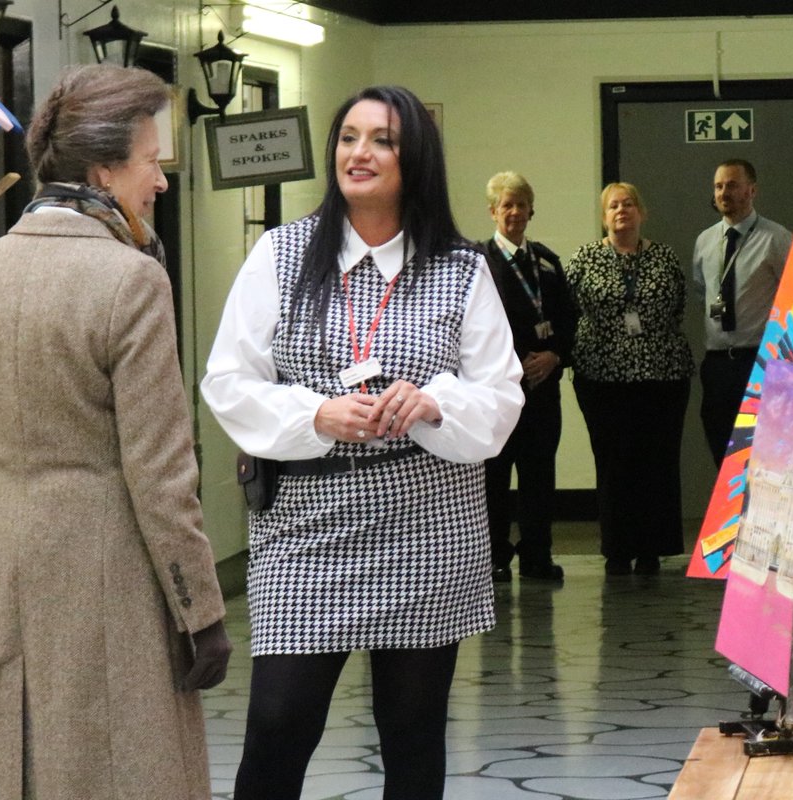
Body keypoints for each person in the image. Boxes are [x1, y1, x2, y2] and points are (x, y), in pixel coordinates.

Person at [0, 64, 230, 800]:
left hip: (3, 549)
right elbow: (161, 476)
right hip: (111, 561)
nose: (160, 182)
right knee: (118, 765)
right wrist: (202, 612)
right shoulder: (132, 280)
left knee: (18, 759)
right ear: (103, 169)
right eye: (149, 162)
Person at [200, 85, 523, 800]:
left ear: (416, 159)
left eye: (382, 139)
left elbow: (502, 394)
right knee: (280, 722)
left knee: (412, 729)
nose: (360, 153)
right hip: (304, 526)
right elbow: (227, 380)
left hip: (427, 520)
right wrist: (317, 416)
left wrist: (436, 400)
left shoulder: (462, 268)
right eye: (349, 137)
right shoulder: (280, 255)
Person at [565, 182, 693, 577]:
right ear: (604, 217)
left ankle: (653, 549)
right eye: (613, 206)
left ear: (642, 212)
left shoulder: (664, 257)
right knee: (614, 462)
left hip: (662, 376)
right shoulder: (585, 259)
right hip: (602, 378)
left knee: (656, 462)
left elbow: (679, 307)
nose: (622, 211)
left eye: (629, 204)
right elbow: (568, 309)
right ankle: (618, 549)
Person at [479, 171, 576, 583]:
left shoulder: (548, 261)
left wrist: (556, 356)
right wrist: (512, 365)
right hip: (496, 391)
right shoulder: (476, 262)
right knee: (494, 477)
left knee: (539, 475)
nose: (515, 212)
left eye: (522, 204)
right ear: (493, 212)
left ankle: (537, 553)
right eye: (507, 205)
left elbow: (570, 321)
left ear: (531, 210)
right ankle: (495, 556)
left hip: (541, 390)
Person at [692, 159, 793, 467]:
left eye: (733, 185)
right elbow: (702, 291)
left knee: (763, 456)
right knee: (722, 452)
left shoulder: (776, 238)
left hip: (760, 361)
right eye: (719, 186)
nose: (724, 192)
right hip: (719, 363)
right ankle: (729, 515)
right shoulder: (705, 241)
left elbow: (792, 297)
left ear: (752, 190)